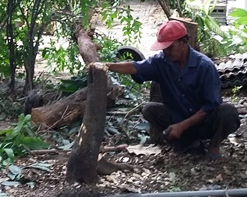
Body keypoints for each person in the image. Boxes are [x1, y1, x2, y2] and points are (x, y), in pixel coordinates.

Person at [103, 20, 240, 161]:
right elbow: (136, 67)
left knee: (228, 112)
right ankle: (188, 143)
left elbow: (210, 105)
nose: (166, 52)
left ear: (184, 42)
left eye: (170, 47)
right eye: (164, 48)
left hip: (206, 122)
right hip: (178, 117)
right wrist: (107, 66)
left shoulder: (205, 66)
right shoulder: (162, 62)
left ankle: (214, 145)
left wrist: (182, 126)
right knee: (149, 109)